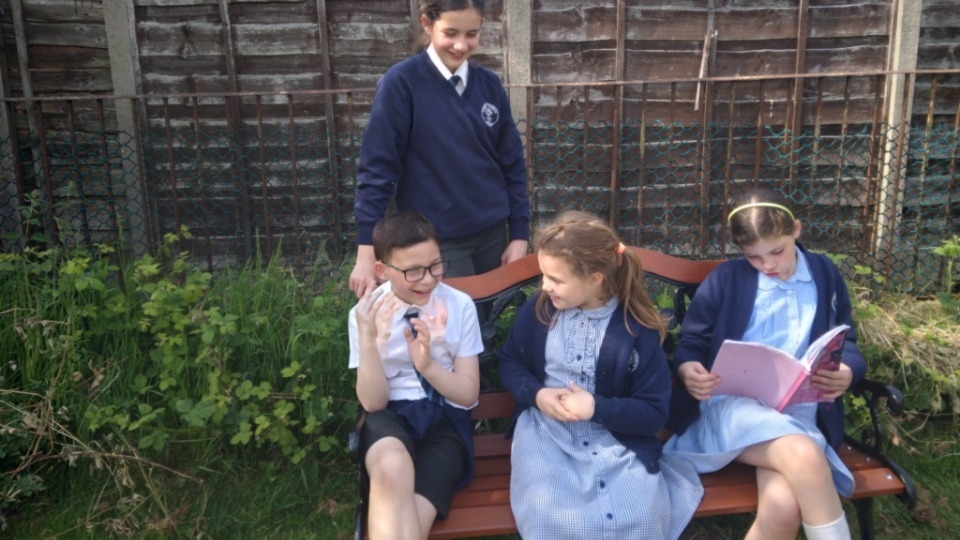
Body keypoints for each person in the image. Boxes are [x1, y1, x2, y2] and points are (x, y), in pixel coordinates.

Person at [664, 189, 866, 540]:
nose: (768, 264)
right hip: (732, 410)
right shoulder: (728, 279)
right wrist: (688, 371)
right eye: (753, 257)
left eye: (777, 251)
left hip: (798, 411)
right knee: (803, 456)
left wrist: (847, 371)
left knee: (783, 508)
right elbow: (692, 343)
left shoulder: (824, 273)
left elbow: (846, 340)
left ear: (796, 230)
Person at [498, 211, 703, 539]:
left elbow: (652, 414)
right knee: (549, 517)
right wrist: (537, 395)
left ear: (595, 278)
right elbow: (510, 362)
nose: (544, 286)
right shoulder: (540, 309)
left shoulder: (636, 329)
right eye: (543, 276)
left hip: (616, 440)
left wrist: (596, 408)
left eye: (556, 279)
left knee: (638, 514)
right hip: (545, 437)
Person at [349, 0, 530, 299]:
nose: (461, 44)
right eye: (450, 32)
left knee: (490, 322)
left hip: (493, 236)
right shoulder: (401, 83)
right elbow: (377, 169)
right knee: (452, 334)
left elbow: (512, 163)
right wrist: (367, 252)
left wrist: (519, 234)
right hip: (436, 244)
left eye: (471, 34)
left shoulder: (489, 84)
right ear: (426, 23)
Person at [348, 211, 482, 539]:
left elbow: (468, 395)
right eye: (413, 271)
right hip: (390, 417)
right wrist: (368, 339)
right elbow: (374, 403)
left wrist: (428, 367)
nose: (428, 279)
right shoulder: (364, 315)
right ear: (382, 270)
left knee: (408, 528)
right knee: (391, 469)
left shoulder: (460, 306)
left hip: (446, 419)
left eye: (436, 265)